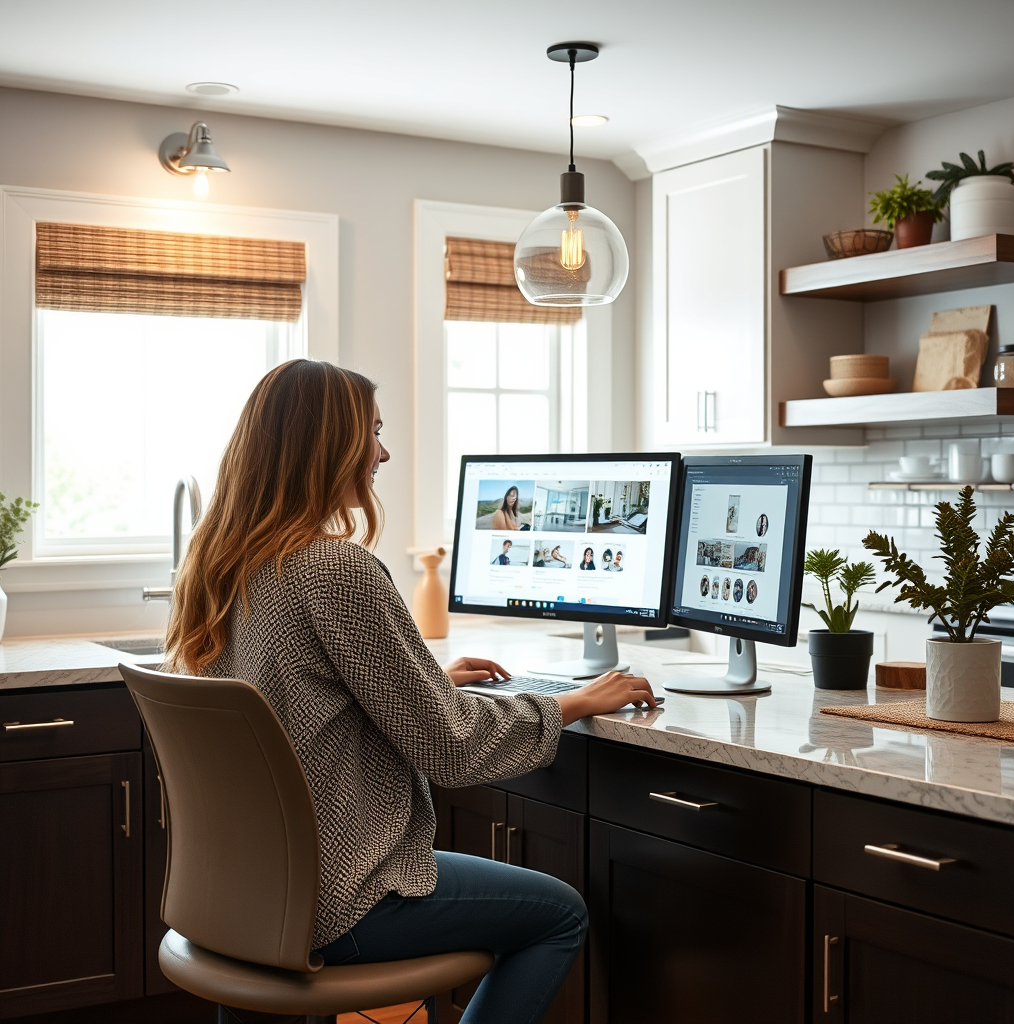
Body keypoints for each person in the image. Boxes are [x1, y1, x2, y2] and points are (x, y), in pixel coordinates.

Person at [164, 360, 658, 1024]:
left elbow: (291, 698)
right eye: (371, 432)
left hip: (245, 898)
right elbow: (452, 748)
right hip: (338, 901)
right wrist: (573, 702)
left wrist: (418, 683)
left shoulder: (223, 566)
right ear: (324, 447)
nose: (383, 452)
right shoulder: (333, 567)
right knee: (559, 914)